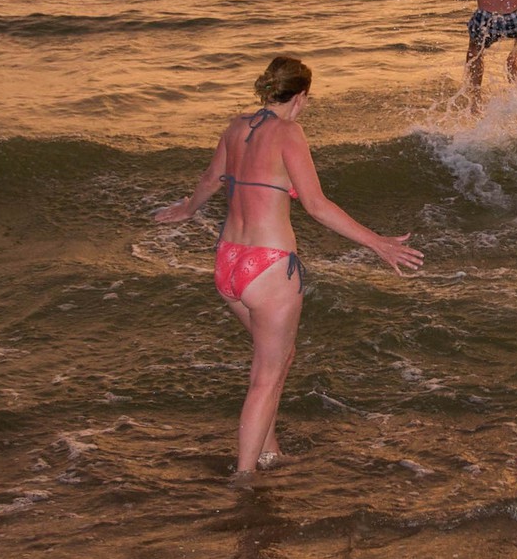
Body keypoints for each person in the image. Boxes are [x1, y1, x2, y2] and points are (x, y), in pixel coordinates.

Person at [154, 56, 422, 478]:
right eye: (307, 100)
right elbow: (316, 205)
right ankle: (244, 481)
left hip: (228, 263)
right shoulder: (289, 133)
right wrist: (377, 243)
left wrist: (187, 210)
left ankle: (269, 450)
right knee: (266, 375)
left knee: (277, 357)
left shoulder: (235, 126)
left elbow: (210, 180)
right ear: (299, 97)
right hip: (269, 268)